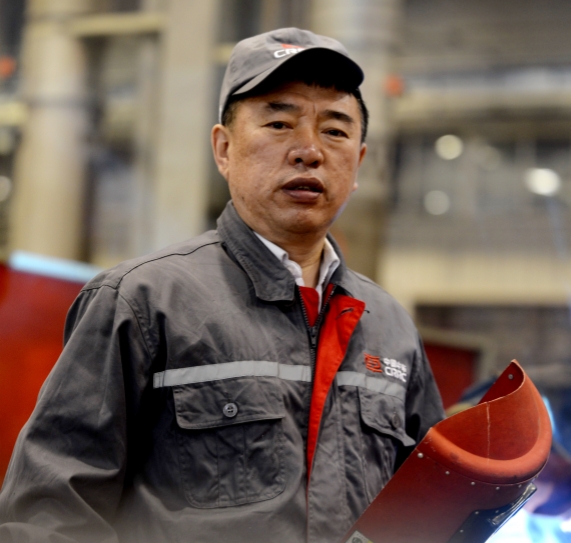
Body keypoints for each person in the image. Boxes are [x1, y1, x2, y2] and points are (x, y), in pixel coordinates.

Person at [0, 28, 444, 543]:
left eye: (335, 131)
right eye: (279, 124)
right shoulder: (142, 303)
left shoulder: (390, 327)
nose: (309, 151)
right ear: (224, 148)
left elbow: (432, 509)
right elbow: (49, 515)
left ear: (359, 162)